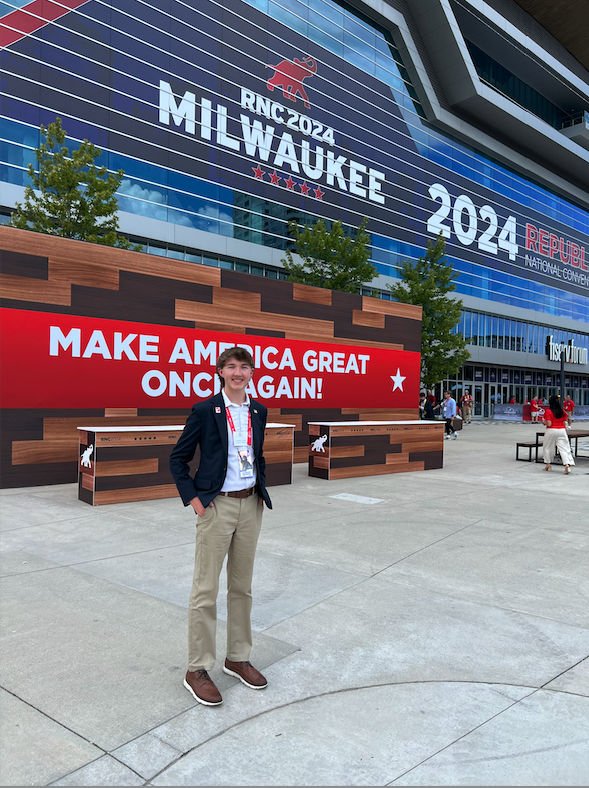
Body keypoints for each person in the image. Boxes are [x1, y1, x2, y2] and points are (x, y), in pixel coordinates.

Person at [169, 347, 272, 706]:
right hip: (216, 507)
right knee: (205, 590)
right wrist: (195, 500)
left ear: (252, 372)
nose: (238, 372)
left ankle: (237, 657)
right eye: (231, 367)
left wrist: (260, 488)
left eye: (244, 366)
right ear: (221, 372)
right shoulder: (205, 410)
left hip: (249, 505)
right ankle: (197, 668)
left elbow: (256, 454)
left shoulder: (259, 411)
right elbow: (177, 459)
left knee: (242, 588)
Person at [542, 395, 575, 474]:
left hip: (551, 430)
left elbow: (549, 424)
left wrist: (544, 422)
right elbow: (564, 421)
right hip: (562, 430)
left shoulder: (548, 411)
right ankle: (567, 464)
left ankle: (548, 464)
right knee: (564, 448)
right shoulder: (562, 411)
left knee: (548, 447)